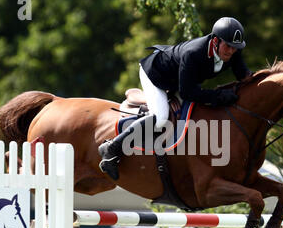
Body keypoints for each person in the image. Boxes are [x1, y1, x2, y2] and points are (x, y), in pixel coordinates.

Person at [99, 17, 253, 180]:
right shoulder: (193, 53)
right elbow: (188, 92)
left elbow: (245, 77)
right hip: (156, 75)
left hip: (179, 81)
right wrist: (218, 96)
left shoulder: (233, 51)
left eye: (235, 47)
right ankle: (112, 148)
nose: (230, 51)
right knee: (161, 117)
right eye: (227, 46)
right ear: (215, 41)